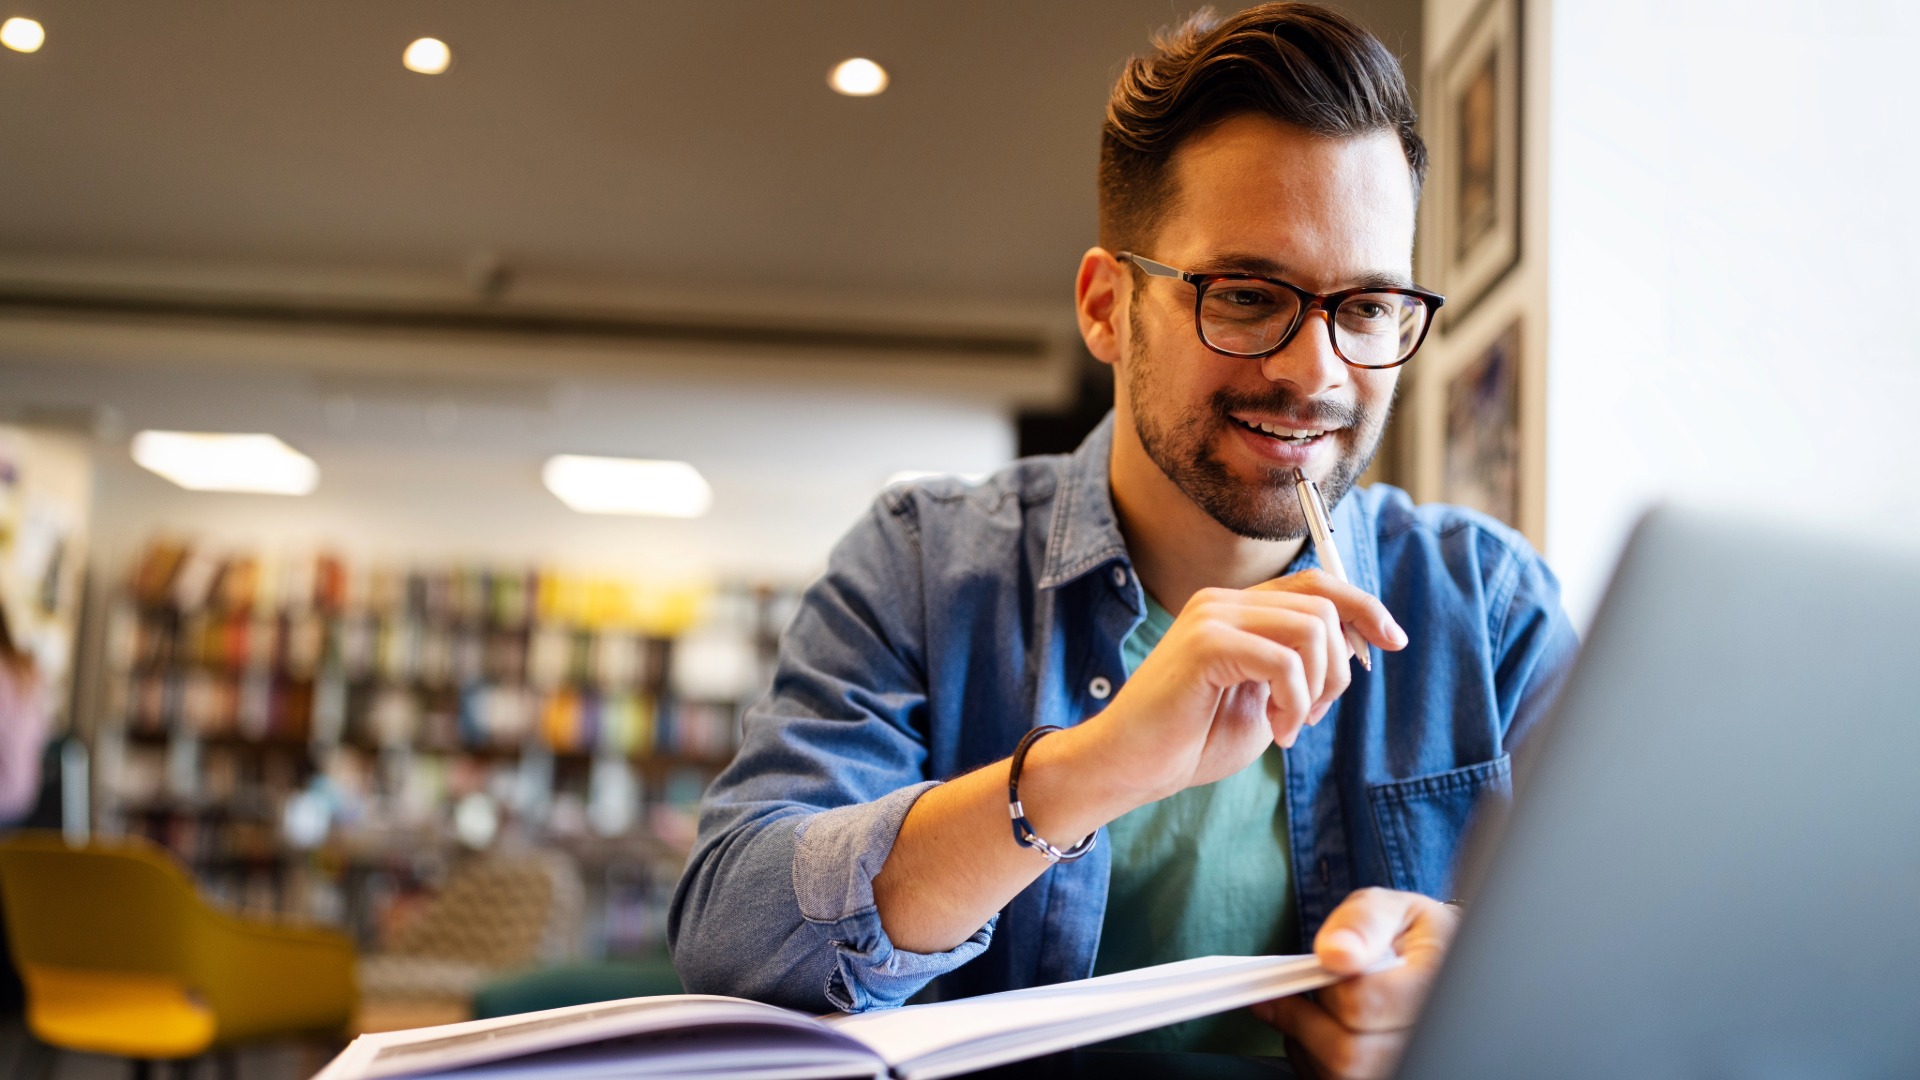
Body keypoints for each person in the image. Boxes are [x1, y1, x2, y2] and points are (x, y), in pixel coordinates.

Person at [670, 5, 1579, 1076]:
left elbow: (1652, 974)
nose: (1318, 372)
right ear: (1108, 308)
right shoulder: (922, 564)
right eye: (1246, 295)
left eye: (1368, 305)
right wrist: (1079, 775)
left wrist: (1483, 1003)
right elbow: (732, 940)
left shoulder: (1490, 608)